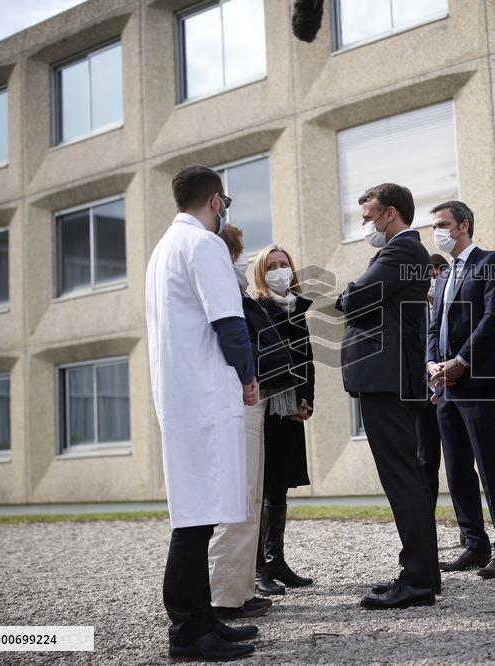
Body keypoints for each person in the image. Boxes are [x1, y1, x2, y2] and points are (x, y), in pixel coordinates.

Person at [145, 165, 259, 661]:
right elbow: (228, 320)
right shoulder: (204, 244)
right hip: (205, 396)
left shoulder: (164, 248)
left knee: (198, 512)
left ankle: (204, 618)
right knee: (195, 518)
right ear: (216, 201)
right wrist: (249, 376)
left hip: (183, 394)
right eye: (226, 205)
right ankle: (188, 630)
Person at [336, 183, 440, 609]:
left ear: (390, 214)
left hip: (387, 379)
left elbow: (354, 299)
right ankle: (421, 574)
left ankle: (417, 581)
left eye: (368, 216)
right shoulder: (401, 254)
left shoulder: (401, 252)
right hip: (391, 377)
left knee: (402, 478)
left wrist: (348, 293)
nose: (364, 225)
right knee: (406, 475)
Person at [427, 200, 495, 579]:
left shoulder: (491, 262)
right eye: (435, 225)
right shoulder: (445, 275)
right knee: (458, 469)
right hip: (444, 384)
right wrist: (432, 364)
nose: (438, 231)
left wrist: (461, 361)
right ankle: (474, 545)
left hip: (476, 378)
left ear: (463, 225)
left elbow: (492, 317)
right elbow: (433, 327)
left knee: (489, 462)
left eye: (442, 224)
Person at [205, 225, 277, 619]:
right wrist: (250, 377)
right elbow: (235, 339)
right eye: (238, 252)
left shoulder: (236, 288)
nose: (242, 260)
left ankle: (241, 589)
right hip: (240, 396)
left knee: (250, 496)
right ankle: (226, 597)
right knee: (239, 496)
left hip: (251, 397)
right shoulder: (224, 287)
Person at [250, 244, 317, 595]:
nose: (279, 271)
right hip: (268, 410)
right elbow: (261, 362)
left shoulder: (297, 309)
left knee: (279, 490)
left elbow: (307, 361)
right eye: (272, 266)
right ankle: (257, 567)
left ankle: (276, 559)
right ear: (262, 273)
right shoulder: (256, 309)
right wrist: (284, 399)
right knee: (263, 489)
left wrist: (306, 401)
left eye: (284, 264)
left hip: (293, 411)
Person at [416, 253, 450, 504]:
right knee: (426, 461)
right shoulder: (411, 313)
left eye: (438, 273)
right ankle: (426, 530)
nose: (433, 279)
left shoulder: (453, 309)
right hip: (422, 398)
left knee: (458, 460)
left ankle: (468, 529)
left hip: (450, 392)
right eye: (429, 274)